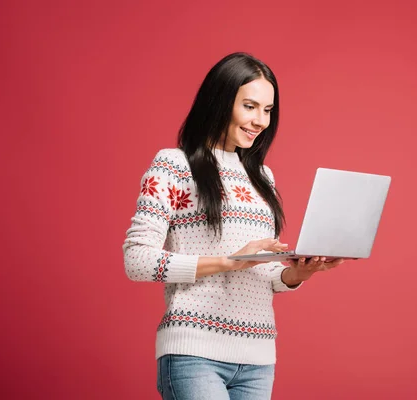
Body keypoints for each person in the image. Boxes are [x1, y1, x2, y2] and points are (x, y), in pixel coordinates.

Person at [123, 52, 344, 400]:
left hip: (257, 358)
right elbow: (137, 261)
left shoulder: (263, 178)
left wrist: (299, 273)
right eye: (250, 106)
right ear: (220, 101)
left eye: (268, 110)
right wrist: (228, 261)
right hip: (194, 352)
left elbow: (262, 273)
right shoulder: (174, 166)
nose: (260, 121)